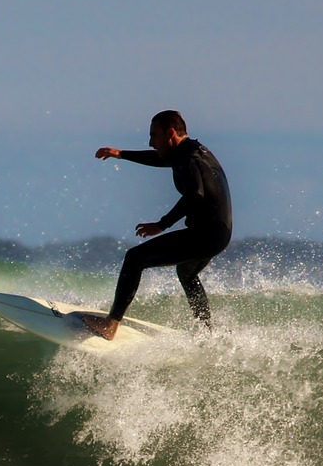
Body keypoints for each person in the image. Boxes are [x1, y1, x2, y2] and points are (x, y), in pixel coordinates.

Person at [83, 110, 232, 340]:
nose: (151, 142)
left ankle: (110, 324)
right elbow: (160, 159)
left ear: (170, 133)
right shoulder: (190, 151)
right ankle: (207, 333)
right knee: (186, 273)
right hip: (220, 233)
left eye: (154, 136)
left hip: (206, 234)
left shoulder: (189, 158)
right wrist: (120, 154)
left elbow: (195, 195)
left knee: (135, 258)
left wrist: (161, 225)